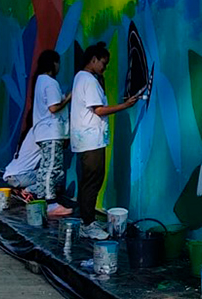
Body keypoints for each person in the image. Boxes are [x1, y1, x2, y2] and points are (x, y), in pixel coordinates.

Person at [71, 42, 142, 240]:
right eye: (103, 63)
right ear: (93, 60)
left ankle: (87, 220)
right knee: (93, 181)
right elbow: (99, 110)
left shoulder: (80, 77)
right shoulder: (89, 80)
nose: (105, 67)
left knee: (88, 181)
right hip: (91, 140)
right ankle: (87, 224)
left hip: (85, 139)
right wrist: (124, 106)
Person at [31, 50, 73, 216]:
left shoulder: (41, 81)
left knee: (45, 167)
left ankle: (42, 200)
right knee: (51, 168)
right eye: (58, 63)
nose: (59, 66)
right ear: (53, 63)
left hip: (44, 132)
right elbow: (54, 107)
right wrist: (69, 98)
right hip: (51, 132)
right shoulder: (49, 82)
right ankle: (51, 204)